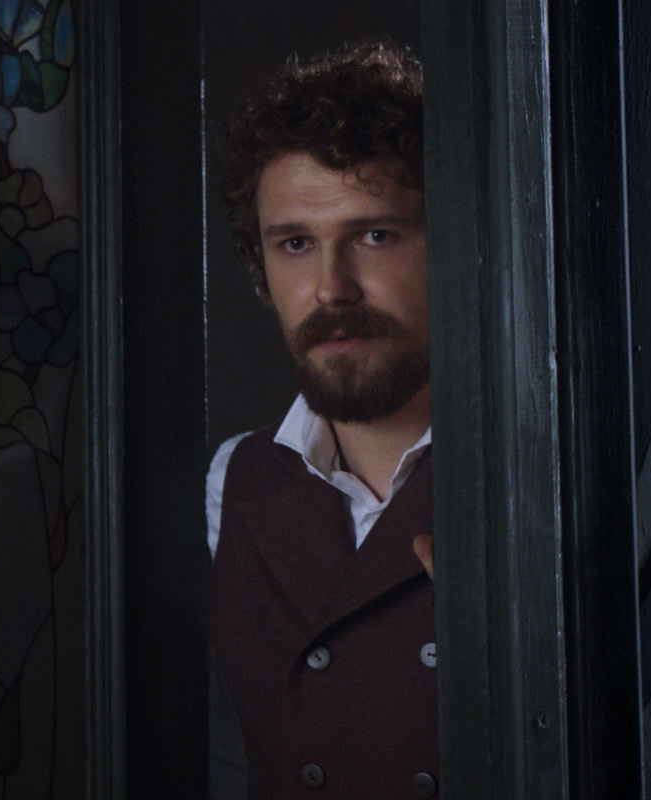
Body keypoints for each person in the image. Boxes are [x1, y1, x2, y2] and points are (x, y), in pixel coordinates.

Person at [207, 41, 438, 799]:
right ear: (262, 269)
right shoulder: (233, 481)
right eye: (297, 243)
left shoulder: (537, 476)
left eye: (375, 235)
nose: (332, 288)